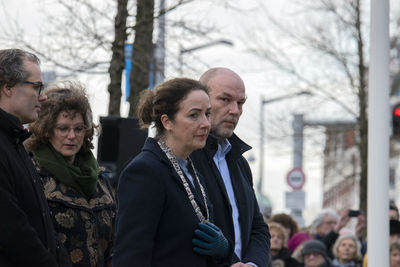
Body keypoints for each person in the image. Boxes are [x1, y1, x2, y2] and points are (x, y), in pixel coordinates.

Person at [113, 78, 233, 267]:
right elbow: (131, 254)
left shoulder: (191, 168)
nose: (205, 124)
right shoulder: (144, 171)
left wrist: (225, 251)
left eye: (207, 114)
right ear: (167, 121)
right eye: (194, 115)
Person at [25, 82, 116, 266]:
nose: (72, 136)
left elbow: (115, 242)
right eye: (63, 128)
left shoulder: (98, 177)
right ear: (46, 130)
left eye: (79, 128)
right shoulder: (31, 175)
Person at [191, 67, 271, 267]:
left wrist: (252, 264)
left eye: (240, 103)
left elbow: (258, 228)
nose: (235, 110)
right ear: (202, 101)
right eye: (225, 100)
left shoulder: (239, 163)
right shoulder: (184, 158)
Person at [0, 48, 70, 266]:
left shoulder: (15, 141)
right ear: (8, 87)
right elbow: (12, 229)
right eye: (37, 86)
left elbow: (42, 223)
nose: (43, 96)